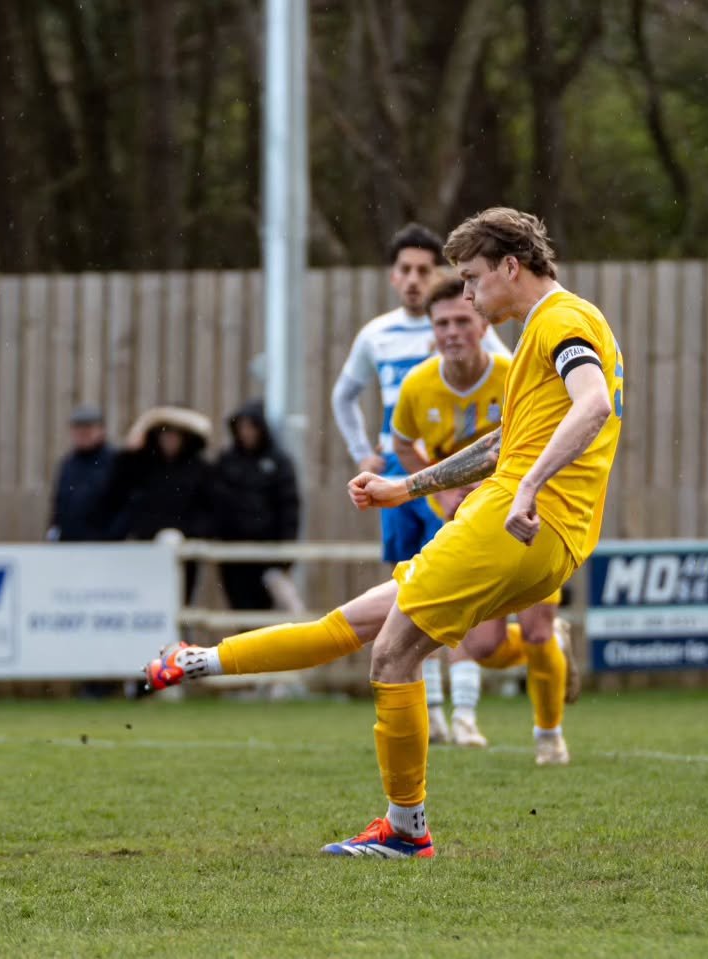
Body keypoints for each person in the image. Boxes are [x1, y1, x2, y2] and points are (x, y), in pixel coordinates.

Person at [146, 208, 624, 857]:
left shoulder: (560, 320)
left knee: (392, 656)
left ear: (512, 266)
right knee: (353, 623)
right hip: (541, 536)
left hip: (515, 522)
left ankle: (405, 828)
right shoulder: (553, 326)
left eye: (474, 279)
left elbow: (591, 403)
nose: (467, 295)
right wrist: (405, 487)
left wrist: (530, 486)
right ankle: (198, 659)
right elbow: (506, 441)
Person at [389, 275, 578, 760]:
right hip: (469, 522)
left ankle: (548, 734)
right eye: (442, 323)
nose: (452, 331)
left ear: (481, 323)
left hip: (528, 513)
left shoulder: (512, 373)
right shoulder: (418, 387)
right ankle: (553, 646)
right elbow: (401, 444)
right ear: (432, 331)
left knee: (535, 631)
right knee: (488, 647)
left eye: (461, 320)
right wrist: (441, 497)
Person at [329, 223, 510, 568]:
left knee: (443, 560)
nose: (413, 279)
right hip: (399, 457)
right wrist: (362, 453)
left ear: (437, 273)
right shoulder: (376, 334)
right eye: (405, 270)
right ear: (393, 276)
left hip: (447, 457)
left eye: (423, 270)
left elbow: (512, 373)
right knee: (402, 566)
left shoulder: (463, 322)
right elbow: (343, 396)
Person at [104, 406, 215, 602]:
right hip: (146, 547)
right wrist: (134, 440)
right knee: (148, 599)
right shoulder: (144, 465)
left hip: (184, 550)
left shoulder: (200, 469)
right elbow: (116, 486)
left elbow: (209, 508)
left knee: (182, 600)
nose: (170, 440)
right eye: (165, 435)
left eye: (175, 435)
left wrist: (192, 534)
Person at [211, 401, 301, 610]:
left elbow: (289, 508)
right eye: (242, 427)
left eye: (251, 427)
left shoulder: (278, 462)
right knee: (239, 608)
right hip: (233, 555)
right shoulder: (227, 461)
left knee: (264, 613)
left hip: (267, 554)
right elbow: (217, 503)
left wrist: (285, 555)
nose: (246, 433)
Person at [46, 405, 123, 542]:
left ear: (101, 430)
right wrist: (54, 531)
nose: (82, 433)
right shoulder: (68, 464)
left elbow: (126, 506)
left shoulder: (115, 462)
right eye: (77, 428)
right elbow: (59, 504)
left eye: (88, 428)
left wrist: (112, 537)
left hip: (105, 548)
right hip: (69, 546)